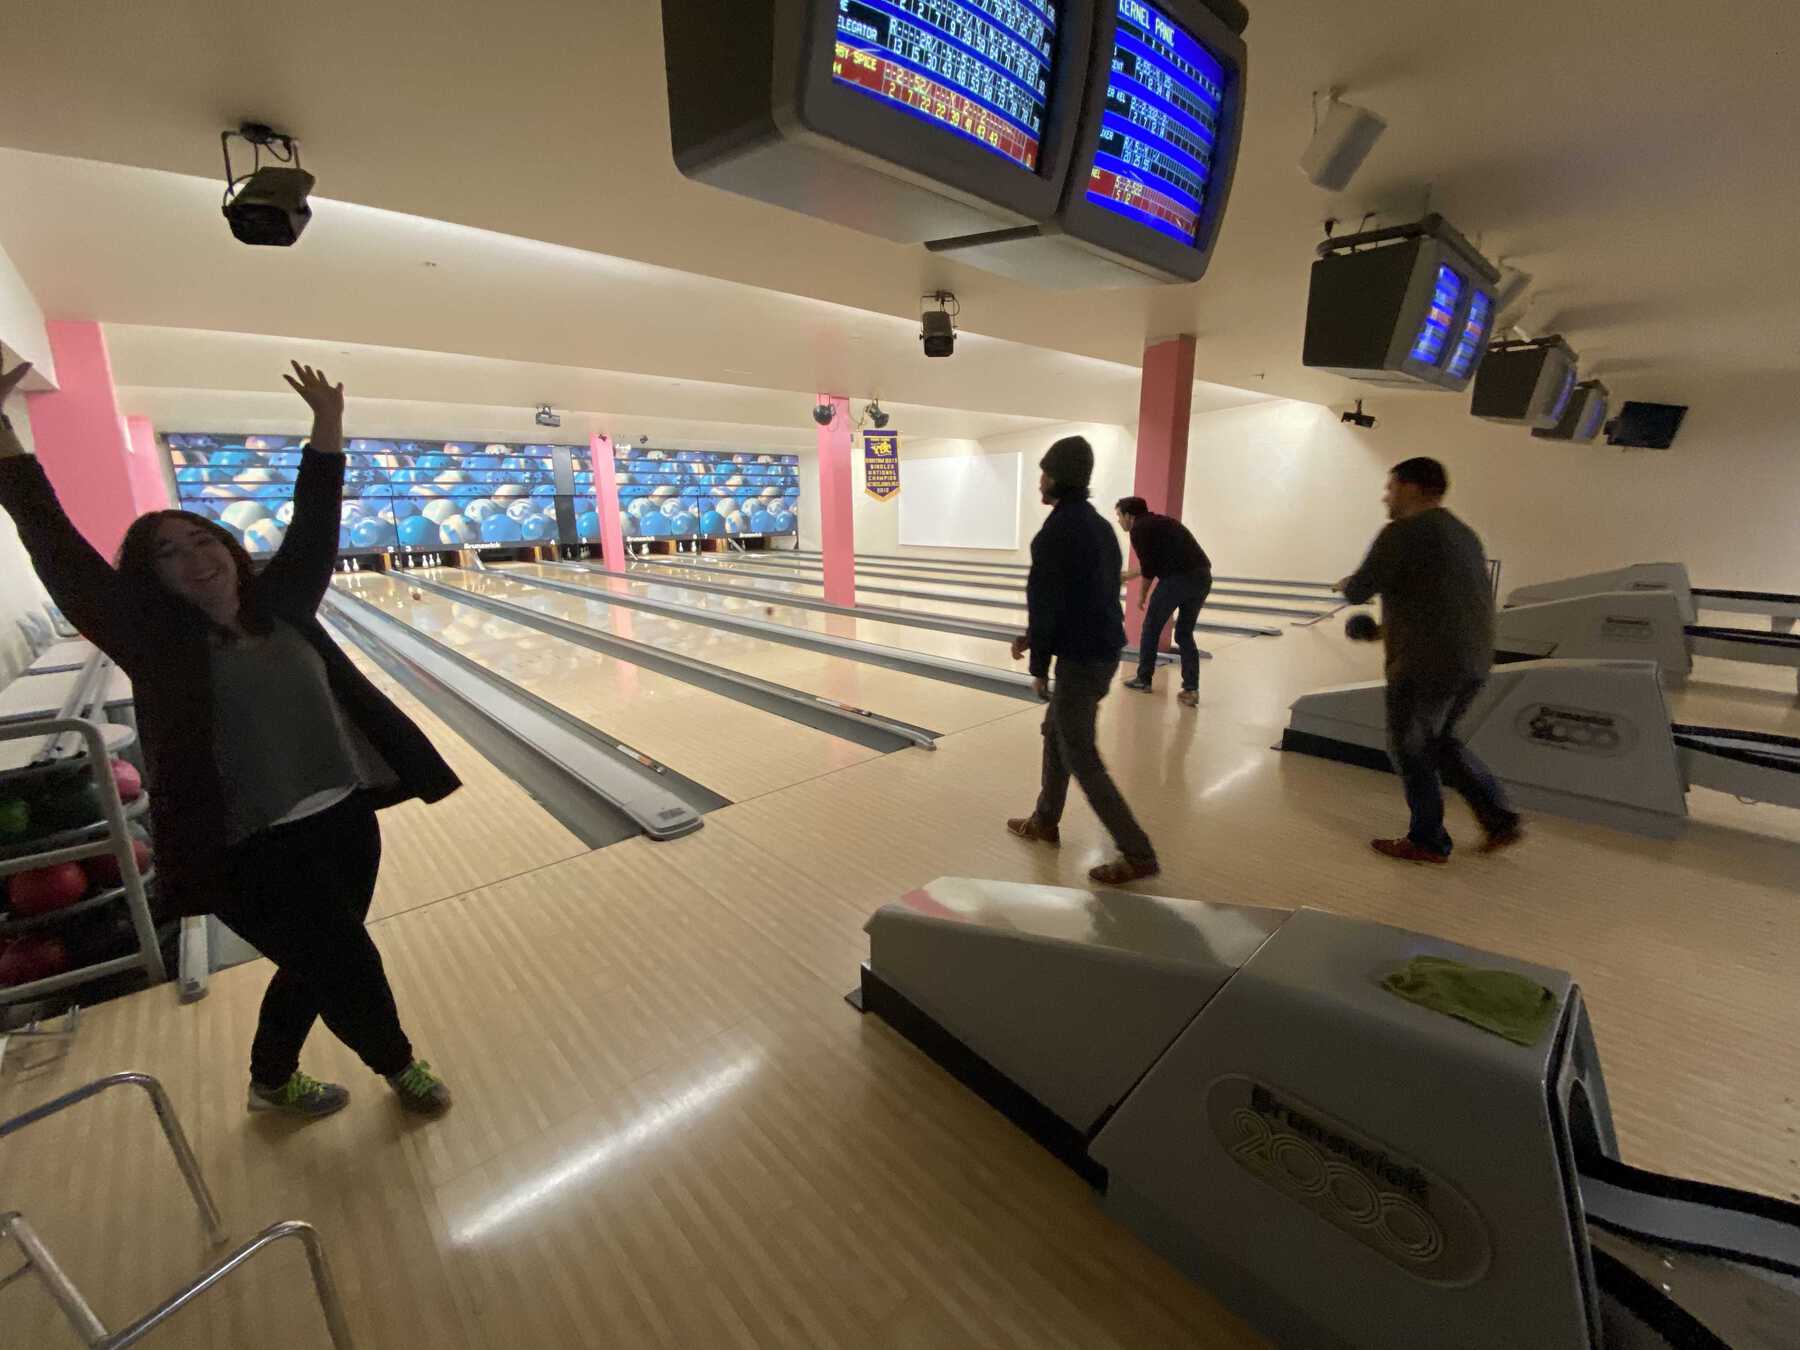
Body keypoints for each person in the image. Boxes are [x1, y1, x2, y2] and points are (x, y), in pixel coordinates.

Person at [0, 359, 460, 1118]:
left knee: (317, 963)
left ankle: (271, 1080)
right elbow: (58, 550)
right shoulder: (150, 641)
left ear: (226, 545)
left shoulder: (282, 602)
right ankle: (400, 1066)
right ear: (152, 581)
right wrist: (8, 443)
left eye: (197, 538)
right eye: (166, 554)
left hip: (343, 819)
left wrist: (327, 426)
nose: (191, 556)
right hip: (248, 844)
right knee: (347, 961)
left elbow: (315, 522)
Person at [1335, 456, 1523, 864]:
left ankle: (1427, 839)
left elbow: (1359, 589)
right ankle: (1499, 818)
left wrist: (1348, 584)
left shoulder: (1402, 533)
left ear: (1412, 488)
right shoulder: (1463, 534)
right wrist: (1382, 632)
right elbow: (1441, 603)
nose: (1386, 496)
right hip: (1472, 659)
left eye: (1391, 487)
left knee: (1409, 747)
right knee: (1438, 743)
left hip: (1425, 665)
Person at [1007, 436, 1159, 885]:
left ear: (1056, 477)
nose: (1039, 480)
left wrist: (1038, 666)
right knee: (1056, 731)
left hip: (1079, 657)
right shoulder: (1099, 527)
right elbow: (1084, 594)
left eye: (1044, 472)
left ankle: (1138, 853)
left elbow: (1048, 602)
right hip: (1104, 650)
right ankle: (1044, 820)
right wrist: (1035, 638)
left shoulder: (1054, 533)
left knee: (1081, 755)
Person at [1115, 496, 1211, 707]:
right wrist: (1132, 575)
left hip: (1178, 580)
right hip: (1202, 577)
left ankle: (1143, 679)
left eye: (1119, 516)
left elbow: (1149, 568)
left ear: (1129, 515)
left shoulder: (1138, 529)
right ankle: (1191, 688)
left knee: (1150, 628)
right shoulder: (1161, 522)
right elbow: (1156, 563)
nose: (1119, 521)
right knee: (1184, 633)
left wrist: (1142, 595)